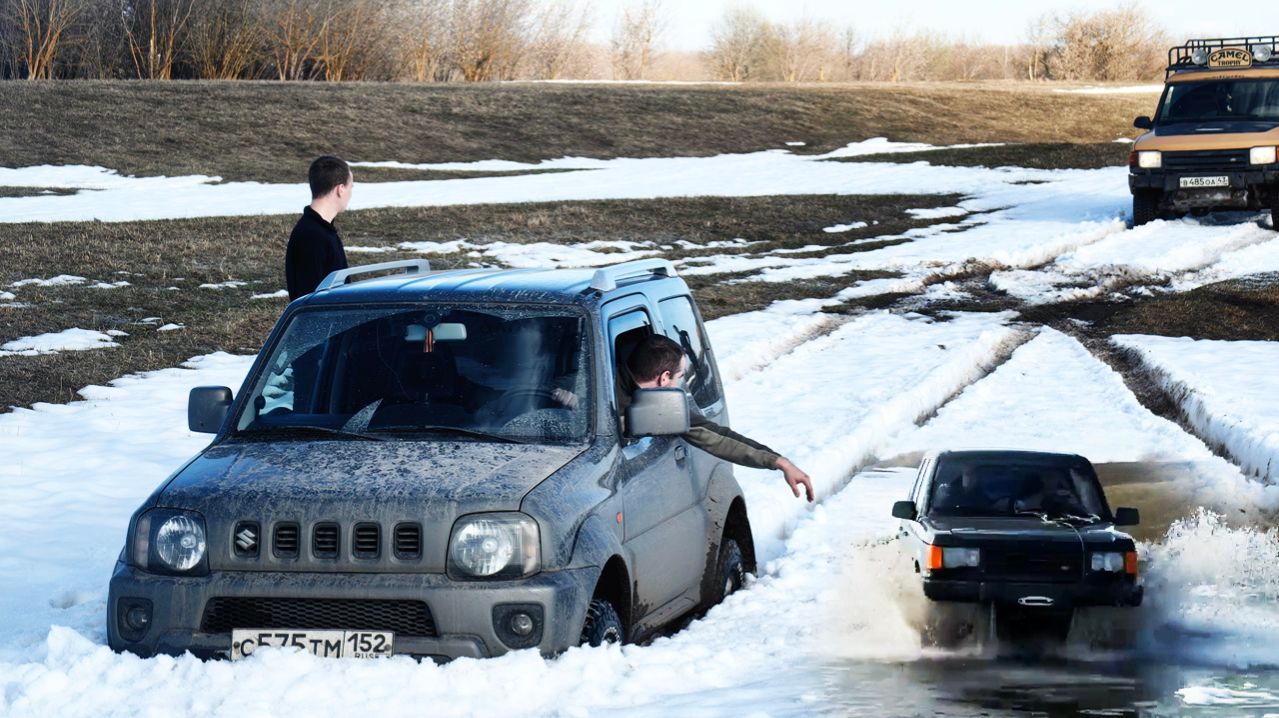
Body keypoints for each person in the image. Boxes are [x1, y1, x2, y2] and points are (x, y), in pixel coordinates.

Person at [622, 334, 815, 502]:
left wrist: (778, 461)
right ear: (664, 377)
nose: (680, 384)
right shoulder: (629, 405)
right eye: (679, 376)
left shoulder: (624, 389)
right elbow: (716, 439)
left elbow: (716, 436)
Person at [285, 155, 354, 300]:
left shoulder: (323, 231)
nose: (351, 193)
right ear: (340, 189)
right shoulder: (312, 236)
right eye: (350, 187)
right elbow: (309, 299)